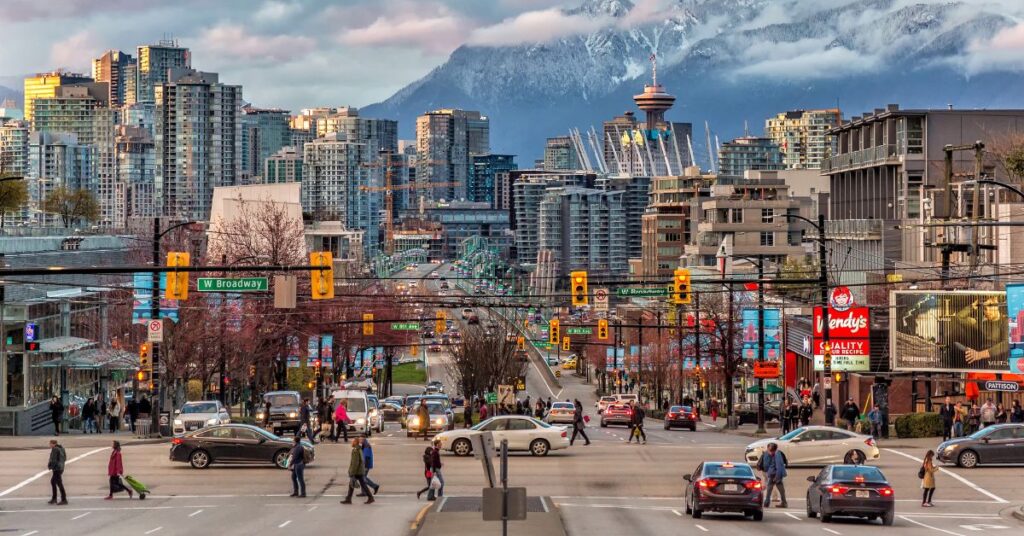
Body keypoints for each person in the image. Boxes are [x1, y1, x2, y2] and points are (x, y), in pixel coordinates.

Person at [341, 438, 374, 504]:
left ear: (355, 443)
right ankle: (370, 498)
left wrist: (352, 472)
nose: (351, 443)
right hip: (360, 470)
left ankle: (349, 499)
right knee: (360, 484)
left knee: (352, 484)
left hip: (357, 471)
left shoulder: (355, 450)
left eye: (352, 442)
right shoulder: (359, 449)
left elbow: (355, 463)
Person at [762, 443, 788, 508]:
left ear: (773, 450)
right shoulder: (774, 454)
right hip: (773, 474)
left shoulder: (777, 455)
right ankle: (783, 502)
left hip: (775, 474)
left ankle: (767, 503)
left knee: (771, 488)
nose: (769, 452)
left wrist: (777, 477)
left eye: (769, 450)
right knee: (777, 488)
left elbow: (779, 466)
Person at [47, 439, 67, 505]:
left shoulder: (55, 449)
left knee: (59, 483)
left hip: (57, 468)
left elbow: (53, 460)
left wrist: (51, 466)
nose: (49, 445)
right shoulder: (62, 448)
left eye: (50, 444)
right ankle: (54, 498)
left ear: (53, 444)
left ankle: (63, 499)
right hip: (61, 467)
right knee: (53, 482)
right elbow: (65, 458)